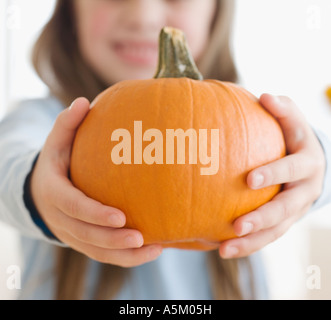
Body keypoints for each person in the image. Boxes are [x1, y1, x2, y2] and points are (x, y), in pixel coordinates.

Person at [0, 0, 329, 300]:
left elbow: (315, 156)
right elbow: (7, 161)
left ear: (216, 10)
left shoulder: (247, 119)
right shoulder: (46, 121)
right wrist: (36, 188)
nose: (145, 16)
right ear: (71, 10)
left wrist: (315, 164)